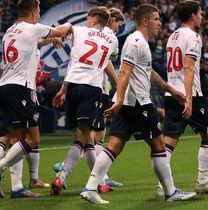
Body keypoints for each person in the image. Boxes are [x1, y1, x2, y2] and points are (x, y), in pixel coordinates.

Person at [80, 4, 196, 204]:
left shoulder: (139, 42)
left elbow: (148, 73)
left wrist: (171, 90)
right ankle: (170, 192)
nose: (160, 23)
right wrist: (122, 100)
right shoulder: (136, 42)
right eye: (157, 19)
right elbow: (124, 72)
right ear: (145, 21)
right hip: (138, 103)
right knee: (159, 145)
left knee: (114, 145)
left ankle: (90, 188)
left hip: (128, 102)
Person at [0, 0, 72, 199]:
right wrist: (69, 27)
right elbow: (61, 30)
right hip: (20, 88)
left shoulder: (10, 31)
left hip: (5, 86)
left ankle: (17, 188)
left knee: (16, 139)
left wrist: (51, 39)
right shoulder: (32, 28)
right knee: (33, 139)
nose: (40, 15)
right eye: (39, 11)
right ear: (34, 13)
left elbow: (37, 42)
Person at [156, 0, 208, 197]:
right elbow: (188, 67)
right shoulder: (193, 37)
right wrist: (189, 99)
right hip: (189, 95)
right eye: (201, 13)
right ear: (193, 15)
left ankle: (162, 186)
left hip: (171, 93)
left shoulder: (172, 36)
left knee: (169, 140)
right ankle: (203, 181)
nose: (202, 17)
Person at [50, 6, 119, 196]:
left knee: (87, 137)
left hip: (73, 86)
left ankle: (99, 181)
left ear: (91, 18)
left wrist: (63, 89)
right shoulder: (112, 39)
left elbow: (60, 32)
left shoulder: (78, 30)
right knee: (82, 137)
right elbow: (108, 60)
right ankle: (62, 175)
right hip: (92, 87)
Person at [90, 7, 124, 188]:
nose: (120, 27)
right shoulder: (111, 37)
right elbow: (106, 62)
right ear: (113, 19)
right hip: (98, 88)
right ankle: (65, 167)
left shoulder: (93, 33)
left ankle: (103, 175)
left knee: (95, 133)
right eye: (120, 23)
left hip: (87, 84)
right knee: (96, 135)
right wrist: (118, 82)